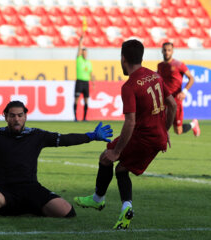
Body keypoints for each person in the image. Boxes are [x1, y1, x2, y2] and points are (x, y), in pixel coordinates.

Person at [73, 40, 177, 229]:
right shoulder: (155, 76)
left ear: (123, 58)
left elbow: (130, 122)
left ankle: (98, 199)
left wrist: (117, 151)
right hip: (157, 138)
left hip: (143, 137)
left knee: (106, 157)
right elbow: (173, 105)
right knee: (121, 170)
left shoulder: (129, 86)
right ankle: (126, 208)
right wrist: (165, 130)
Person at [158, 42, 201, 137]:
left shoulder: (179, 65)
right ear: (162, 51)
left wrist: (184, 91)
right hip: (164, 101)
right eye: (165, 50)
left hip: (176, 101)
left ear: (172, 51)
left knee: (178, 131)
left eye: (169, 50)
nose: (166, 52)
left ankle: (194, 124)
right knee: (161, 126)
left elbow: (191, 78)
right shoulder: (160, 66)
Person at [74, 34, 94, 122]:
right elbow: (79, 49)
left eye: (86, 52)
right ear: (82, 53)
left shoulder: (89, 63)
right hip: (79, 82)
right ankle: (75, 117)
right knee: (76, 99)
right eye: (83, 52)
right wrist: (80, 41)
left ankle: (84, 118)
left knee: (86, 100)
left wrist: (93, 83)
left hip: (86, 83)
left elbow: (91, 73)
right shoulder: (79, 60)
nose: (85, 54)